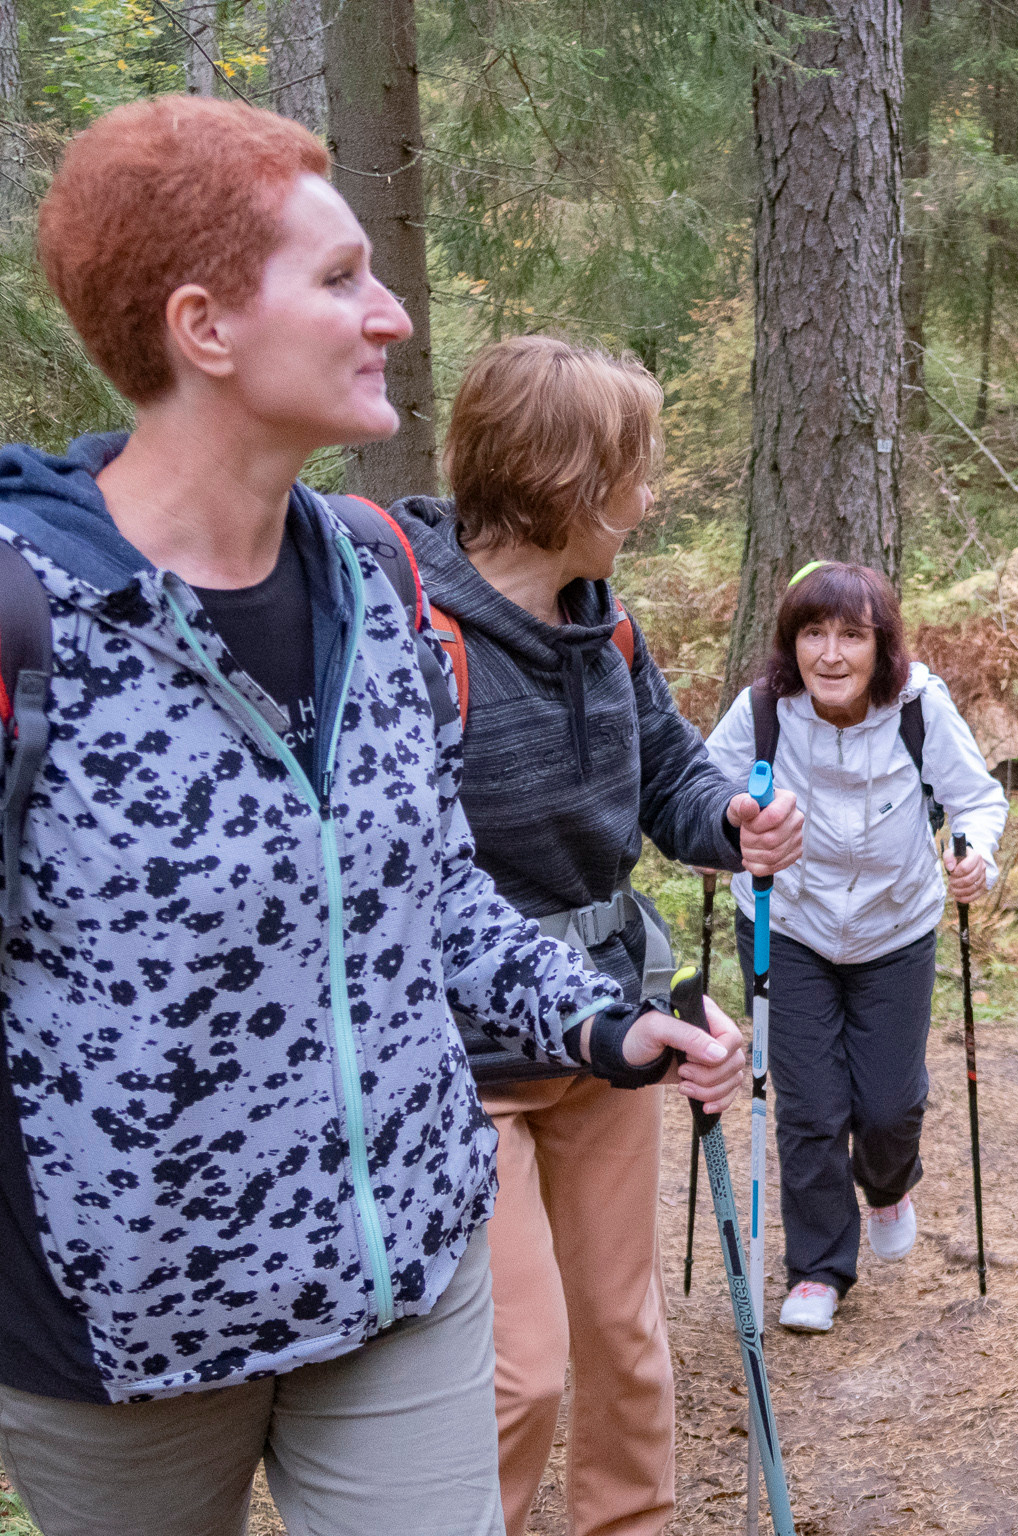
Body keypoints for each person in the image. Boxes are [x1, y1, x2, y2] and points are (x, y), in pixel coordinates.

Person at [0, 98, 746, 1536]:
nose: (393, 315)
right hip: (130, 1335)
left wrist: (600, 1020)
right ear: (204, 327)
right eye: (341, 280)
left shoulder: (372, 577)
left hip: (404, 1263)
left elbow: (430, 893)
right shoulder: (29, 614)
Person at [388, 337, 804, 1536]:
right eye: (636, 468)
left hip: (614, 1034)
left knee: (624, 1340)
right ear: (567, 481)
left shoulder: (601, 626)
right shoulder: (424, 643)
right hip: (468, 1066)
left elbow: (667, 769)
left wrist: (729, 818)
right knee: (517, 1372)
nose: (651, 493)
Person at [706, 562, 1008, 1335]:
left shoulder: (918, 709)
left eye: (851, 635)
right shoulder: (766, 708)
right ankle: (817, 1270)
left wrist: (973, 855)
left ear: (883, 647)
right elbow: (703, 789)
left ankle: (889, 1183)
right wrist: (723, 833)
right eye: (814, 634)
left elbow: (974, 798)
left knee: (889, 1103)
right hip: (788, 923)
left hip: (895, 926)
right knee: (807, 1106)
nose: (831, 655)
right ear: (791, 641)